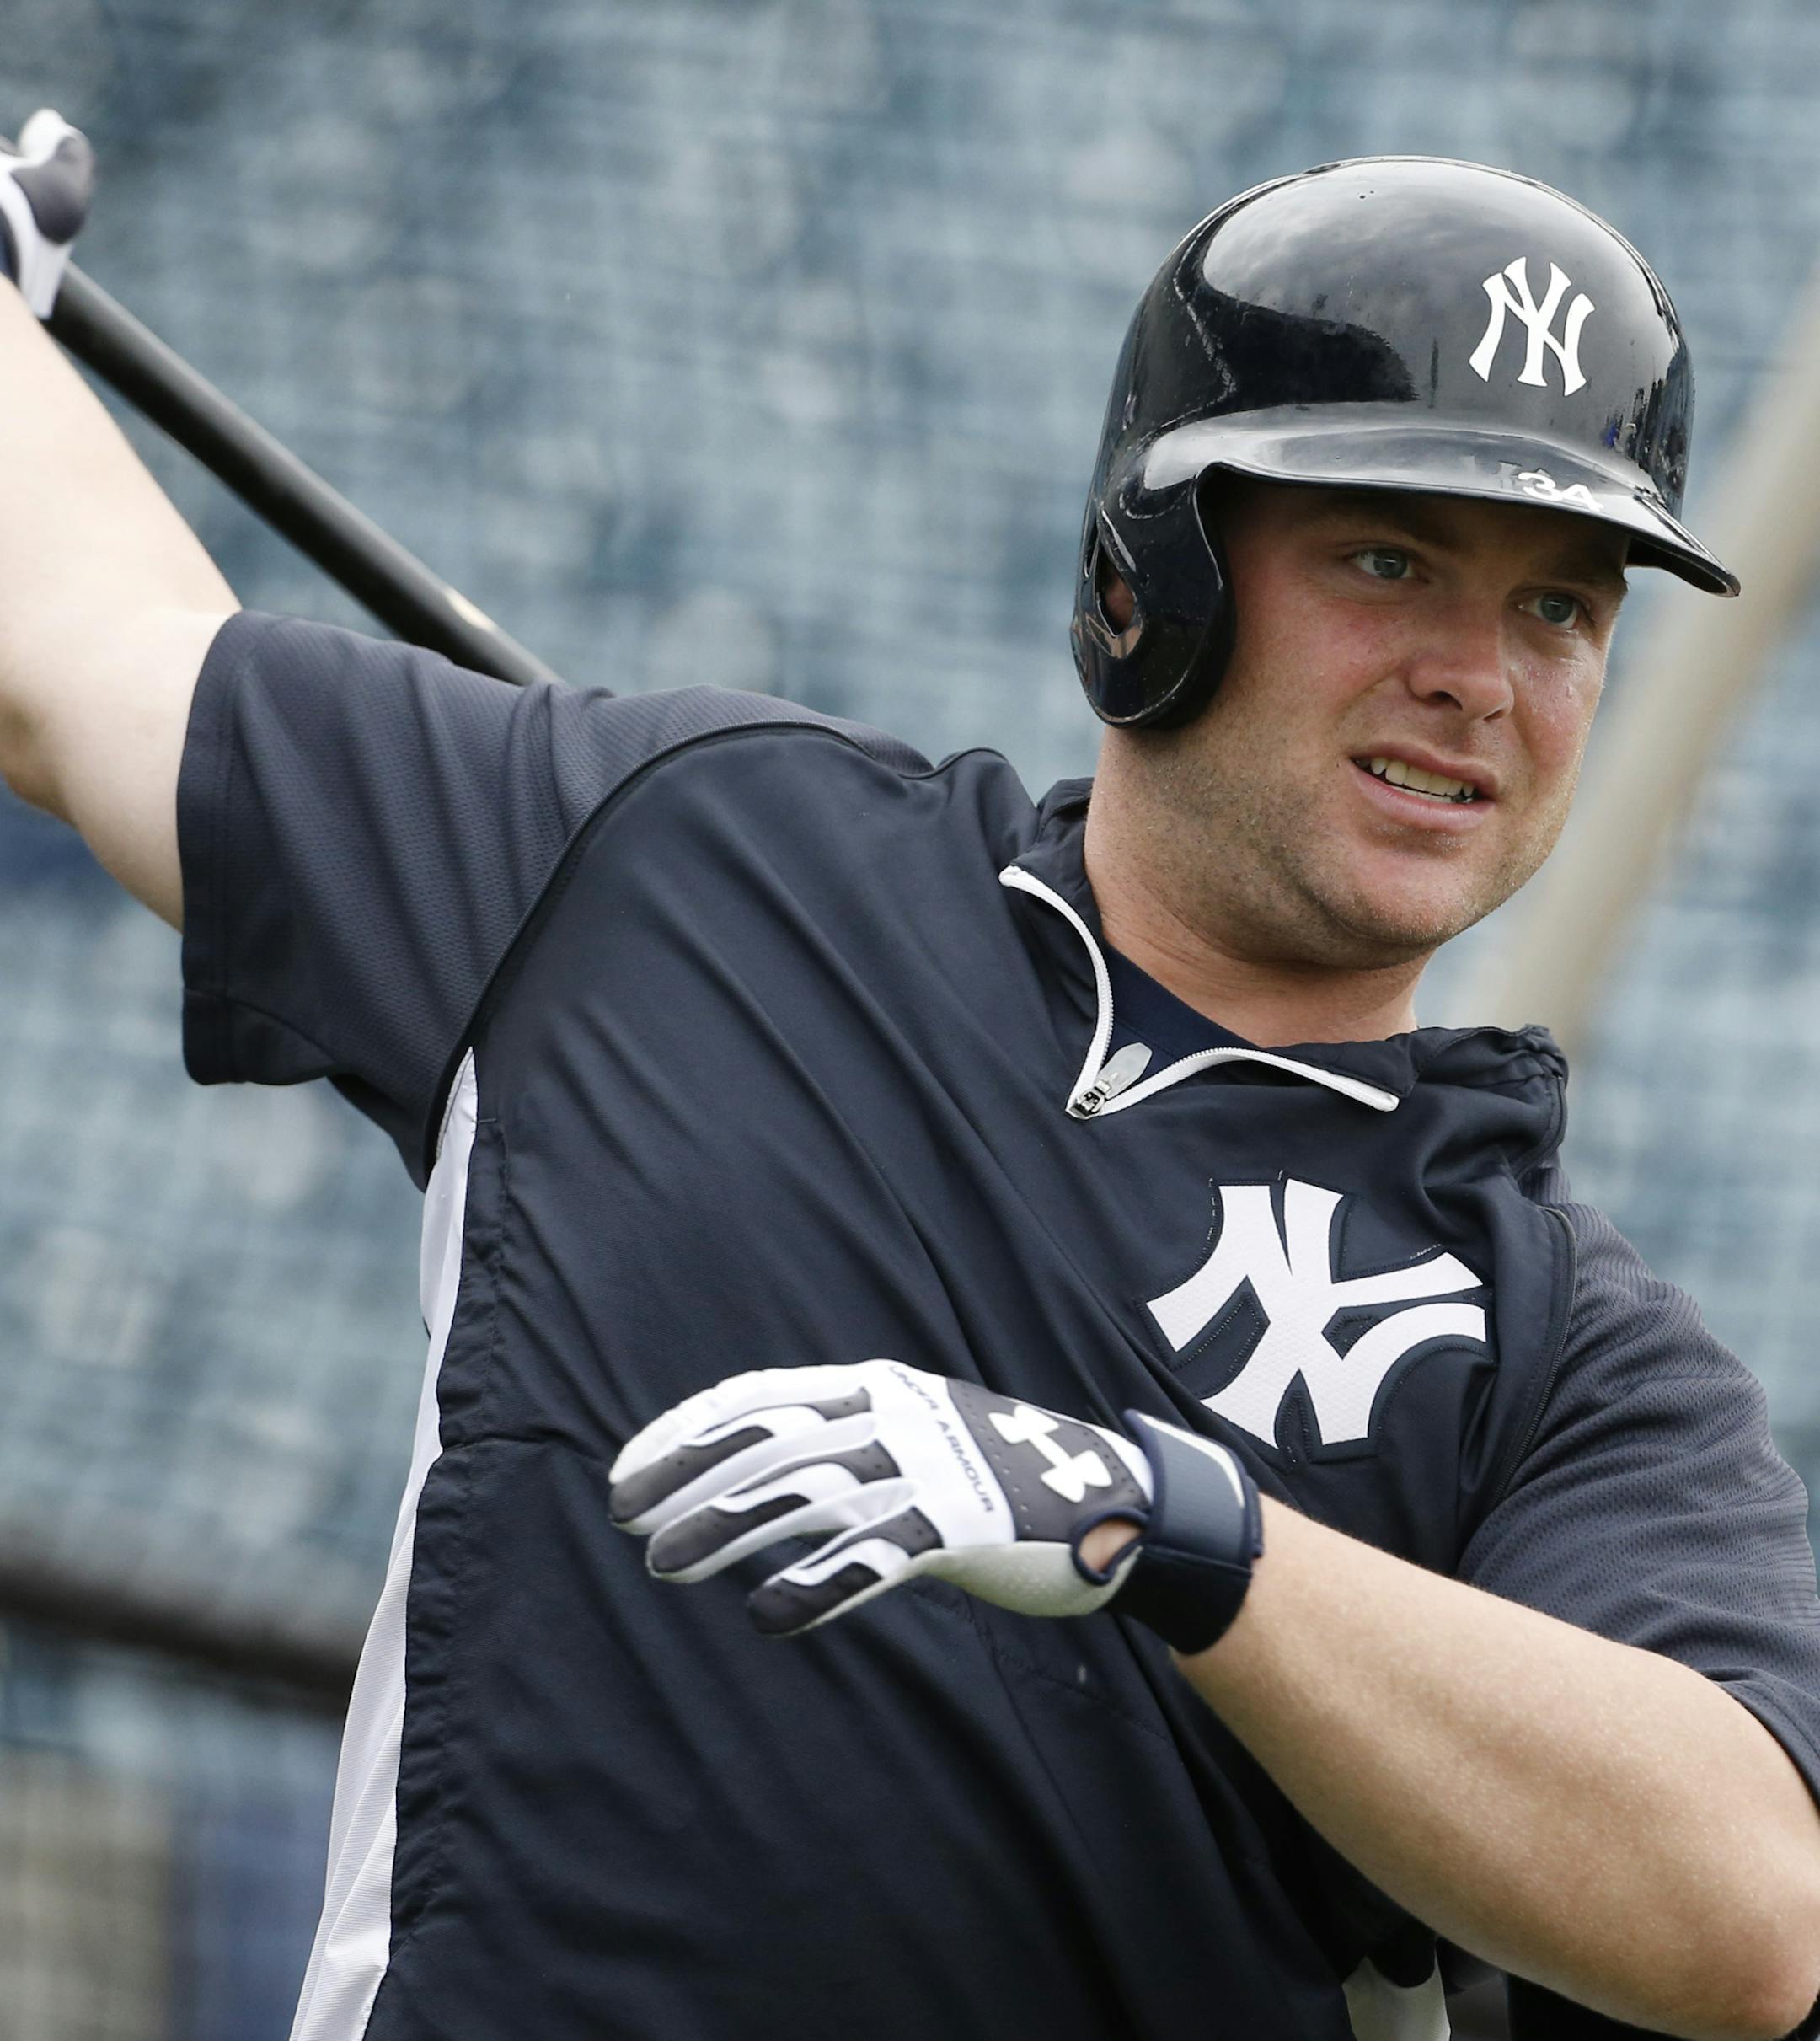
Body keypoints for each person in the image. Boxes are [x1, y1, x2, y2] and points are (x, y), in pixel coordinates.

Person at [2, 113, 1817, 2041]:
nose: (1483, 674)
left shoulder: (1561, 1346)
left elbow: (1746, 1903)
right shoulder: (687, 859)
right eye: (1391, 556)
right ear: (1156, 574)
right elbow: (83, 660)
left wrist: (1163, 1526)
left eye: (1559, 605)